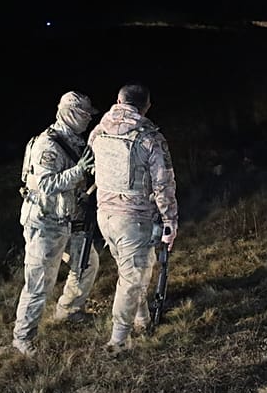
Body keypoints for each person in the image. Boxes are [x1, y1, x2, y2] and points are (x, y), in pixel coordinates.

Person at [89, 83, 179, 354]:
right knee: (132, 278)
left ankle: (141, 318)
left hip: (105, 216)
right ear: (146, 107)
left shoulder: (98, 131)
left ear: (118, 100)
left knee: (130, 272)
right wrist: (170, 221)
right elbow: (164, 184)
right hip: (134, 219)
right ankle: (118, 340)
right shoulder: (150, 138)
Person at [11, 91, 101, 357]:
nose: (88, 119)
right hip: (46, 222)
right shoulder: (48, 146)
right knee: (39, 283)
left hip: (69, 219)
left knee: (87, 262)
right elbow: (47, 185)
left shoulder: (73, 141)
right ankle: (22, 337)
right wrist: (79, 171)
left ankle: (69, 309)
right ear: (71, 113)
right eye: (85, 114)